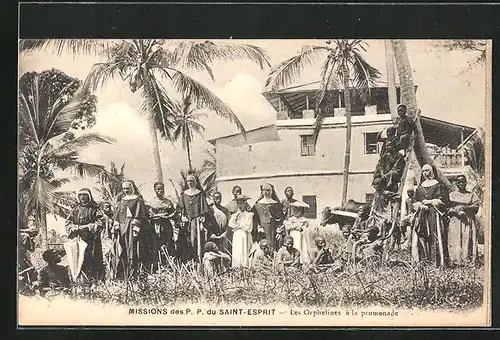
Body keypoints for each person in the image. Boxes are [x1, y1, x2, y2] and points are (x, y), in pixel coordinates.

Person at [411, 164, 450, 267]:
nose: (425, 173)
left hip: (434, 214)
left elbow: (445, 201)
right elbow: (414, 200)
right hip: (422, 213)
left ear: (432, 171)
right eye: (423, 171)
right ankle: (423, 261)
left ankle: (436, 262)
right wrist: (420, 205)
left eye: (427, 170)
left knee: (435, 235)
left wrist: (432, 201)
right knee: (422, 235)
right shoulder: (420, 187)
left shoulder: (439, 185)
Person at [112, 180, 151, 278]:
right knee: (122, 248)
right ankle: (123, 273)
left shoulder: (137, 200)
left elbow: (140, 214)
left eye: (127, 189)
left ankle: (135, 273)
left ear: (132, 188)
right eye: (124, 189)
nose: (126, 191)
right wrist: (116, 224)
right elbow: (117, 214)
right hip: (122, 226)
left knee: (133, 248)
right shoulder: (123, 200)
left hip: (132, 226)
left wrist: (136, 226)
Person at [65, 188, 105, 281]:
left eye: (84, 195)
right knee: (78, 257)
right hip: (78, 237)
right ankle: (79, 279)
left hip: (92, 238)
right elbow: (68, 222)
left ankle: (94, 280)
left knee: (92, 257)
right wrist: (73, 227)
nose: (82, 197)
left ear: (89, 196)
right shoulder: (75, 209)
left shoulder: (95, 208)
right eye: (80, 195)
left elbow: (100, 222)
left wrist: (88, 226)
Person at [447, 175, 481, 266]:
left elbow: (476, 207)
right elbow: (447, 208)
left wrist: (465, 207)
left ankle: (467, 261)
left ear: (466, 183)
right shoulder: (452, 195)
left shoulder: (471, 195)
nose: (460, 183)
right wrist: (455, 210)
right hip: (455, 221)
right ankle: (455, 261)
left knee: (467, 239)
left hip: (468, 220)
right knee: (455, 240)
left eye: (462, 181)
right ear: (456, 183)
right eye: (458, 182)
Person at [177, 174, 211, 262]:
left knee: (196, 240)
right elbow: (180, 207)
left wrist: (202, 216)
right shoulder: (184, 194)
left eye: (191, 181)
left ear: (195, 182)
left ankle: (197, 260)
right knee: (185, 240)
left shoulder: (199, 194)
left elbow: (203, 207)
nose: (189, 183)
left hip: (196, 221)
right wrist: (182, 216)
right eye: (188, 181)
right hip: (186, 221)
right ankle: (187, 261)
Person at [148, 182, 177, 261]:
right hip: (156, 225)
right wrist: (157, 216)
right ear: (155, 190)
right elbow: (149, 215)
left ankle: (168, 262)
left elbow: (173, 213)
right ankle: (157, 263)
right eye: (158, 189)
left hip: (166, 225)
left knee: (168, 242)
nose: (160, 191)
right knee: (156, 243)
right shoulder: (152, 202)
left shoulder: (168, 202)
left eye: (162, 189)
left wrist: (170, 216)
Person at [251, 183, 285, 251]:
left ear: (272, 191)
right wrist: (258, 227)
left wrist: (279, 230)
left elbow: (281, 219)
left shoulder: (276, 204)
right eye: (264, 190)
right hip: (262, 230)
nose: (266, 192)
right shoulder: (257, 205)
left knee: (274, 246)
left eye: (268, 190)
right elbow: (254, 219)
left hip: (273, 229)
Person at [228, 195, 254, 268]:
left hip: (245, 235)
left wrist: (239, 225)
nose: (240, 205)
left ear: (245, 204)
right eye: (238, 204)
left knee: (244, 250)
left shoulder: (249, 215)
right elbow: (231, 224)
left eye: (241, 203)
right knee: (237, 251)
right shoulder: (235, 215)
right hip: (237, 235)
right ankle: (237, 266)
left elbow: (248, 227)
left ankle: (245, 266)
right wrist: (239, 225)